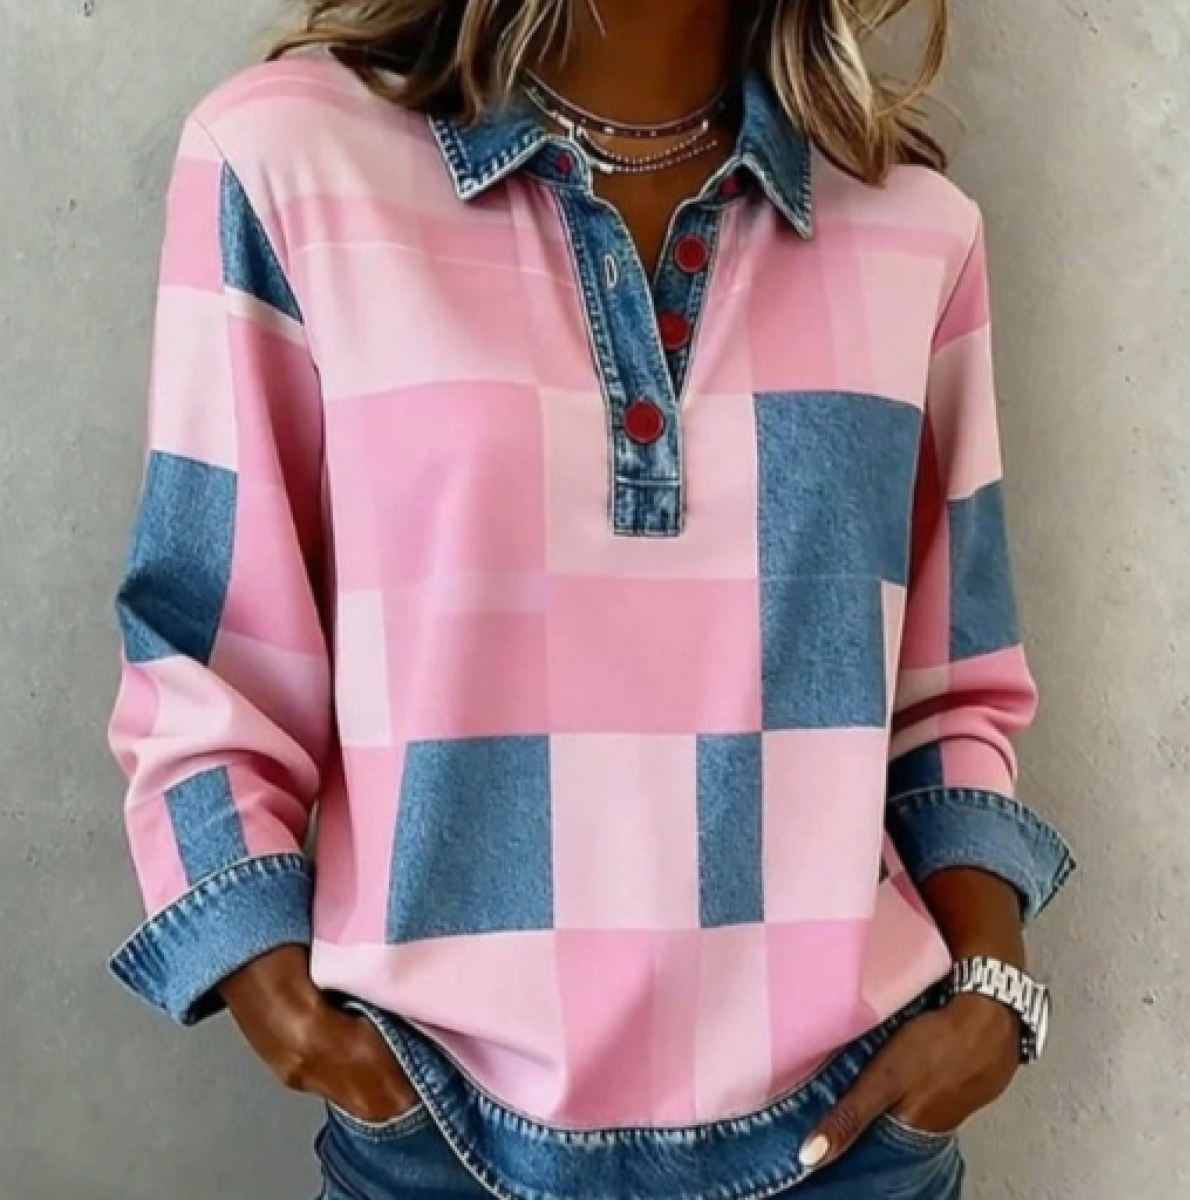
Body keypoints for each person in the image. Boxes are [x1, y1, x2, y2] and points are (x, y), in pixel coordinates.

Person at [107, 2, 1075, 1197]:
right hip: (441, 1141)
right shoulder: (288, 165)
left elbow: (951, 698)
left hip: (850, 1144)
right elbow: (208, 655)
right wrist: (275, 995)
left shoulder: (913, 232)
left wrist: (991, 992)